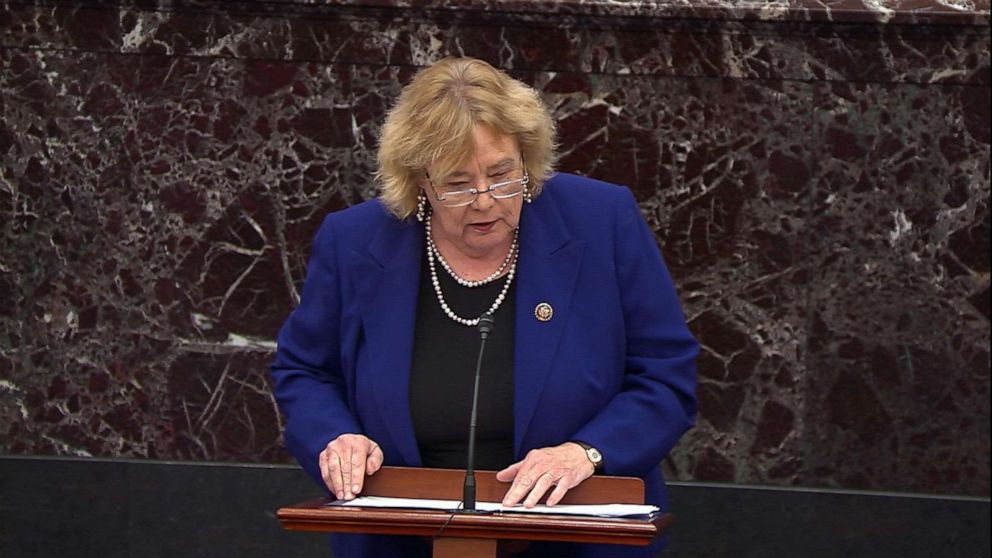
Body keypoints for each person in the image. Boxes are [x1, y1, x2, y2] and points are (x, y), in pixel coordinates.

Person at [270, 57, 698, 557]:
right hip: (399, 536)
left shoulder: (600, 221)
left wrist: (587, 452)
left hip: (577, 533)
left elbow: (666, 374)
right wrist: (335, 436)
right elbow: (304, 370)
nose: (485, 200)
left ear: (527, 159)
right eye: (457, 183)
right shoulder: (355, 241)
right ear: (420, 182)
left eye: (502, 174)